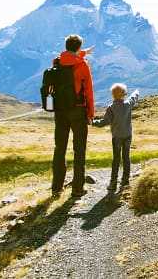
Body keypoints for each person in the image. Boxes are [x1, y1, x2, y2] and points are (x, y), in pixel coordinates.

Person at [52, 35, 95, 197]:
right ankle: (77, 188)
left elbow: (67, 59)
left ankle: (56, 187)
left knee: (60, 148)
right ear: (78, 47)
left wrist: (82, 52)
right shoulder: (82, 65)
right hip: (78, 111)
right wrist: (90, 113)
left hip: (60, 111)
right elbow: (89, 91)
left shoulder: (56, 62)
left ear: (66, 45)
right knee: (79, 150)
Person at [93, 83, 140, 191]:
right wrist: (137, 91)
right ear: (124, 94)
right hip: (128, 135)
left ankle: (113, 183)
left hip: (117, 137)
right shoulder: (128, 104)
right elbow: (134, 97)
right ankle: (125, 181)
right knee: (126, 158)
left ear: (112, 95)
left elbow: (104, 122)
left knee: (116, 159)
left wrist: (92, 122)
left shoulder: (111, 107)